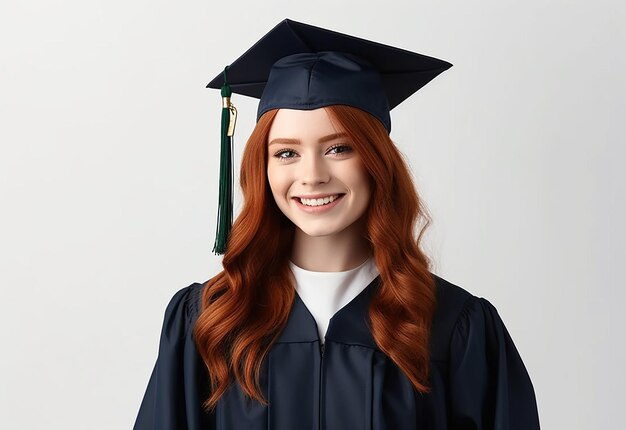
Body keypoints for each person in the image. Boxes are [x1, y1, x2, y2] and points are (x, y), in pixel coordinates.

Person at [133, 18, 540, 429]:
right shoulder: (210, 321)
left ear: (377, 163)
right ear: (263, 168)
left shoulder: (453, 327)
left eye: (339, 148)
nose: (312, 175)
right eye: (286, 153)